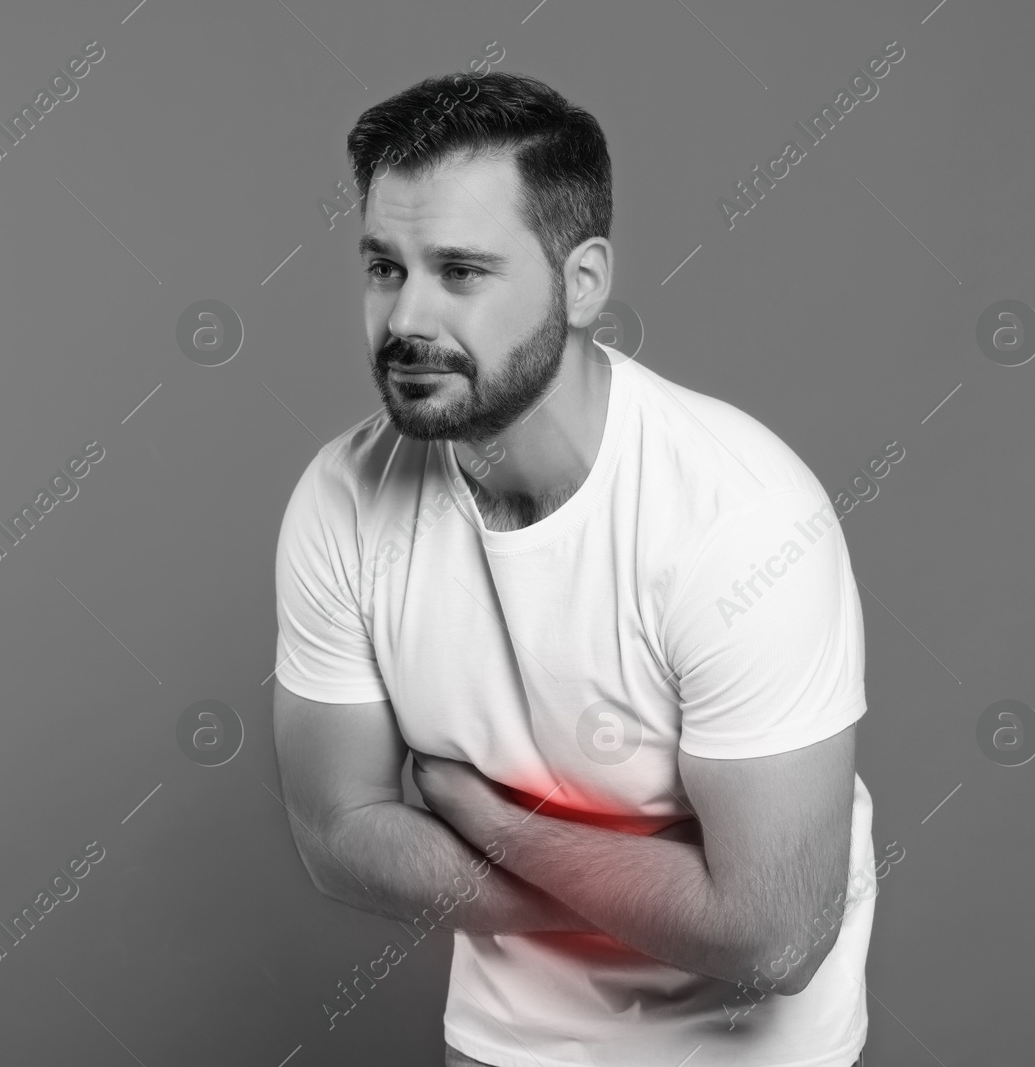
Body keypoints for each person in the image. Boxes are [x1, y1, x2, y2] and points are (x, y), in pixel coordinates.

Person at [272, 70, 873, 1067]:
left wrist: (487, 819)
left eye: (461, 271)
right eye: (384, 266)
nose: (405, 319)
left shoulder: (743, 520)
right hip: (505, 1043)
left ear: (582, 280)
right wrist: (680, 898)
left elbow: (774, 935)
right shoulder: (344, 495)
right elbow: (337, 834)